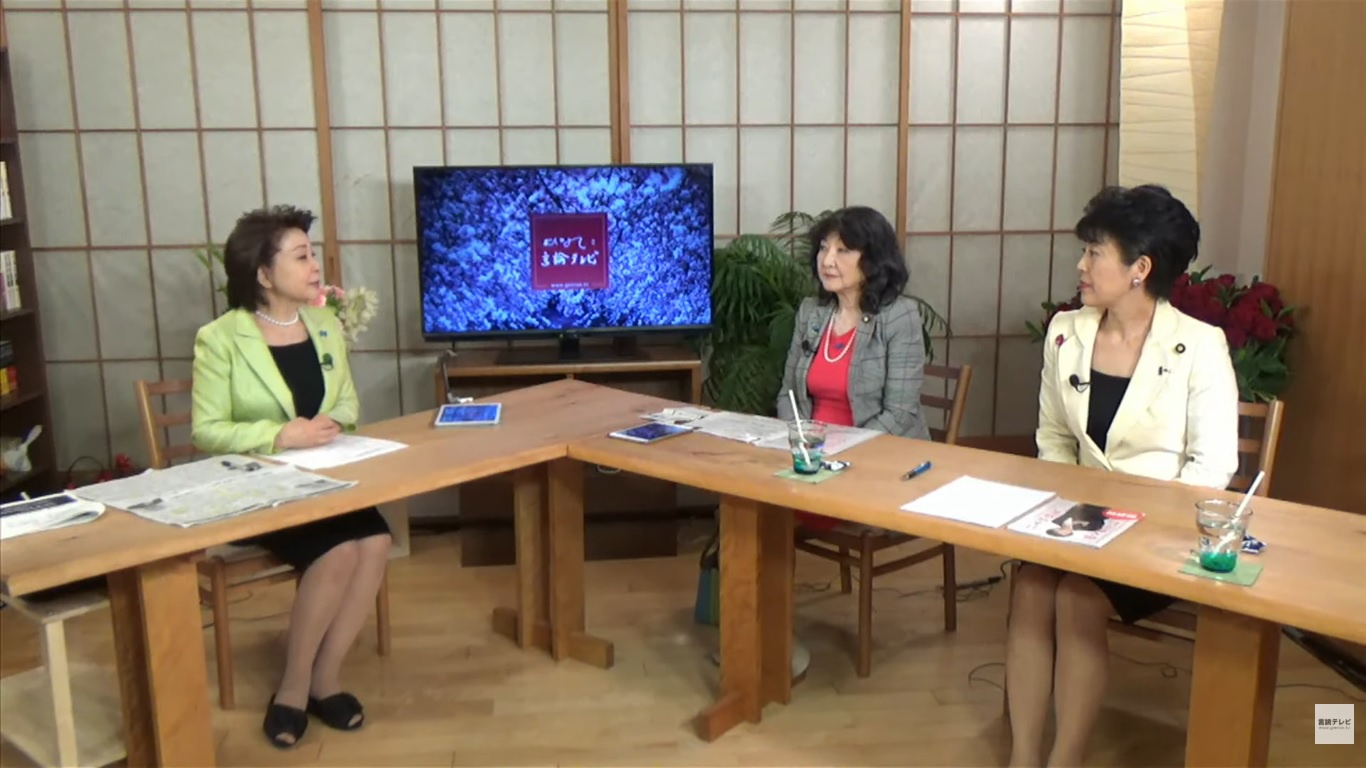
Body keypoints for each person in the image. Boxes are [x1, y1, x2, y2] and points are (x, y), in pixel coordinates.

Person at [1006, 185, 1239, 767]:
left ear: (1140, 268)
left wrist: (1138, 523)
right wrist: (1068, 510)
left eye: (1095, 253)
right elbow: (1053, 438)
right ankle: (1023, 756)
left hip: (1157, 535)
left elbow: (1213, 465)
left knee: (1078, 597)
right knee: (1031, 587)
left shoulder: (1199, 346)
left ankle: (1065, 759)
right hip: (1074, 522)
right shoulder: (1067, 332)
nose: (1081, 266)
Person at [191, 205, 392, 749]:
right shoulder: (220, 338)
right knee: (338, 551)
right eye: (301, 256)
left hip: (325, 477)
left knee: (376, 541)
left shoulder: (324, 325)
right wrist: (282, 435)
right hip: (259, 486)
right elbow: (207, 430)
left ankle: (327, 678)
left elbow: (347, 404)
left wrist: (330, 427)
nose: (315, 267)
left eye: (312, 254)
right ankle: (294, 687)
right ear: (263, 273)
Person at [776, 205, 931, 532]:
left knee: (774, 508)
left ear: (873, 260)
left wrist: (840, 448)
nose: (827, 260)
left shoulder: (899, 316)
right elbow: (787, 394)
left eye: (843, 250)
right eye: (823, 248)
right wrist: (802, 441)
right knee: (751, 496)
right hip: (811, 457)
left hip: (877, 459)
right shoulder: (811, 312)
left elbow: (900, 413)